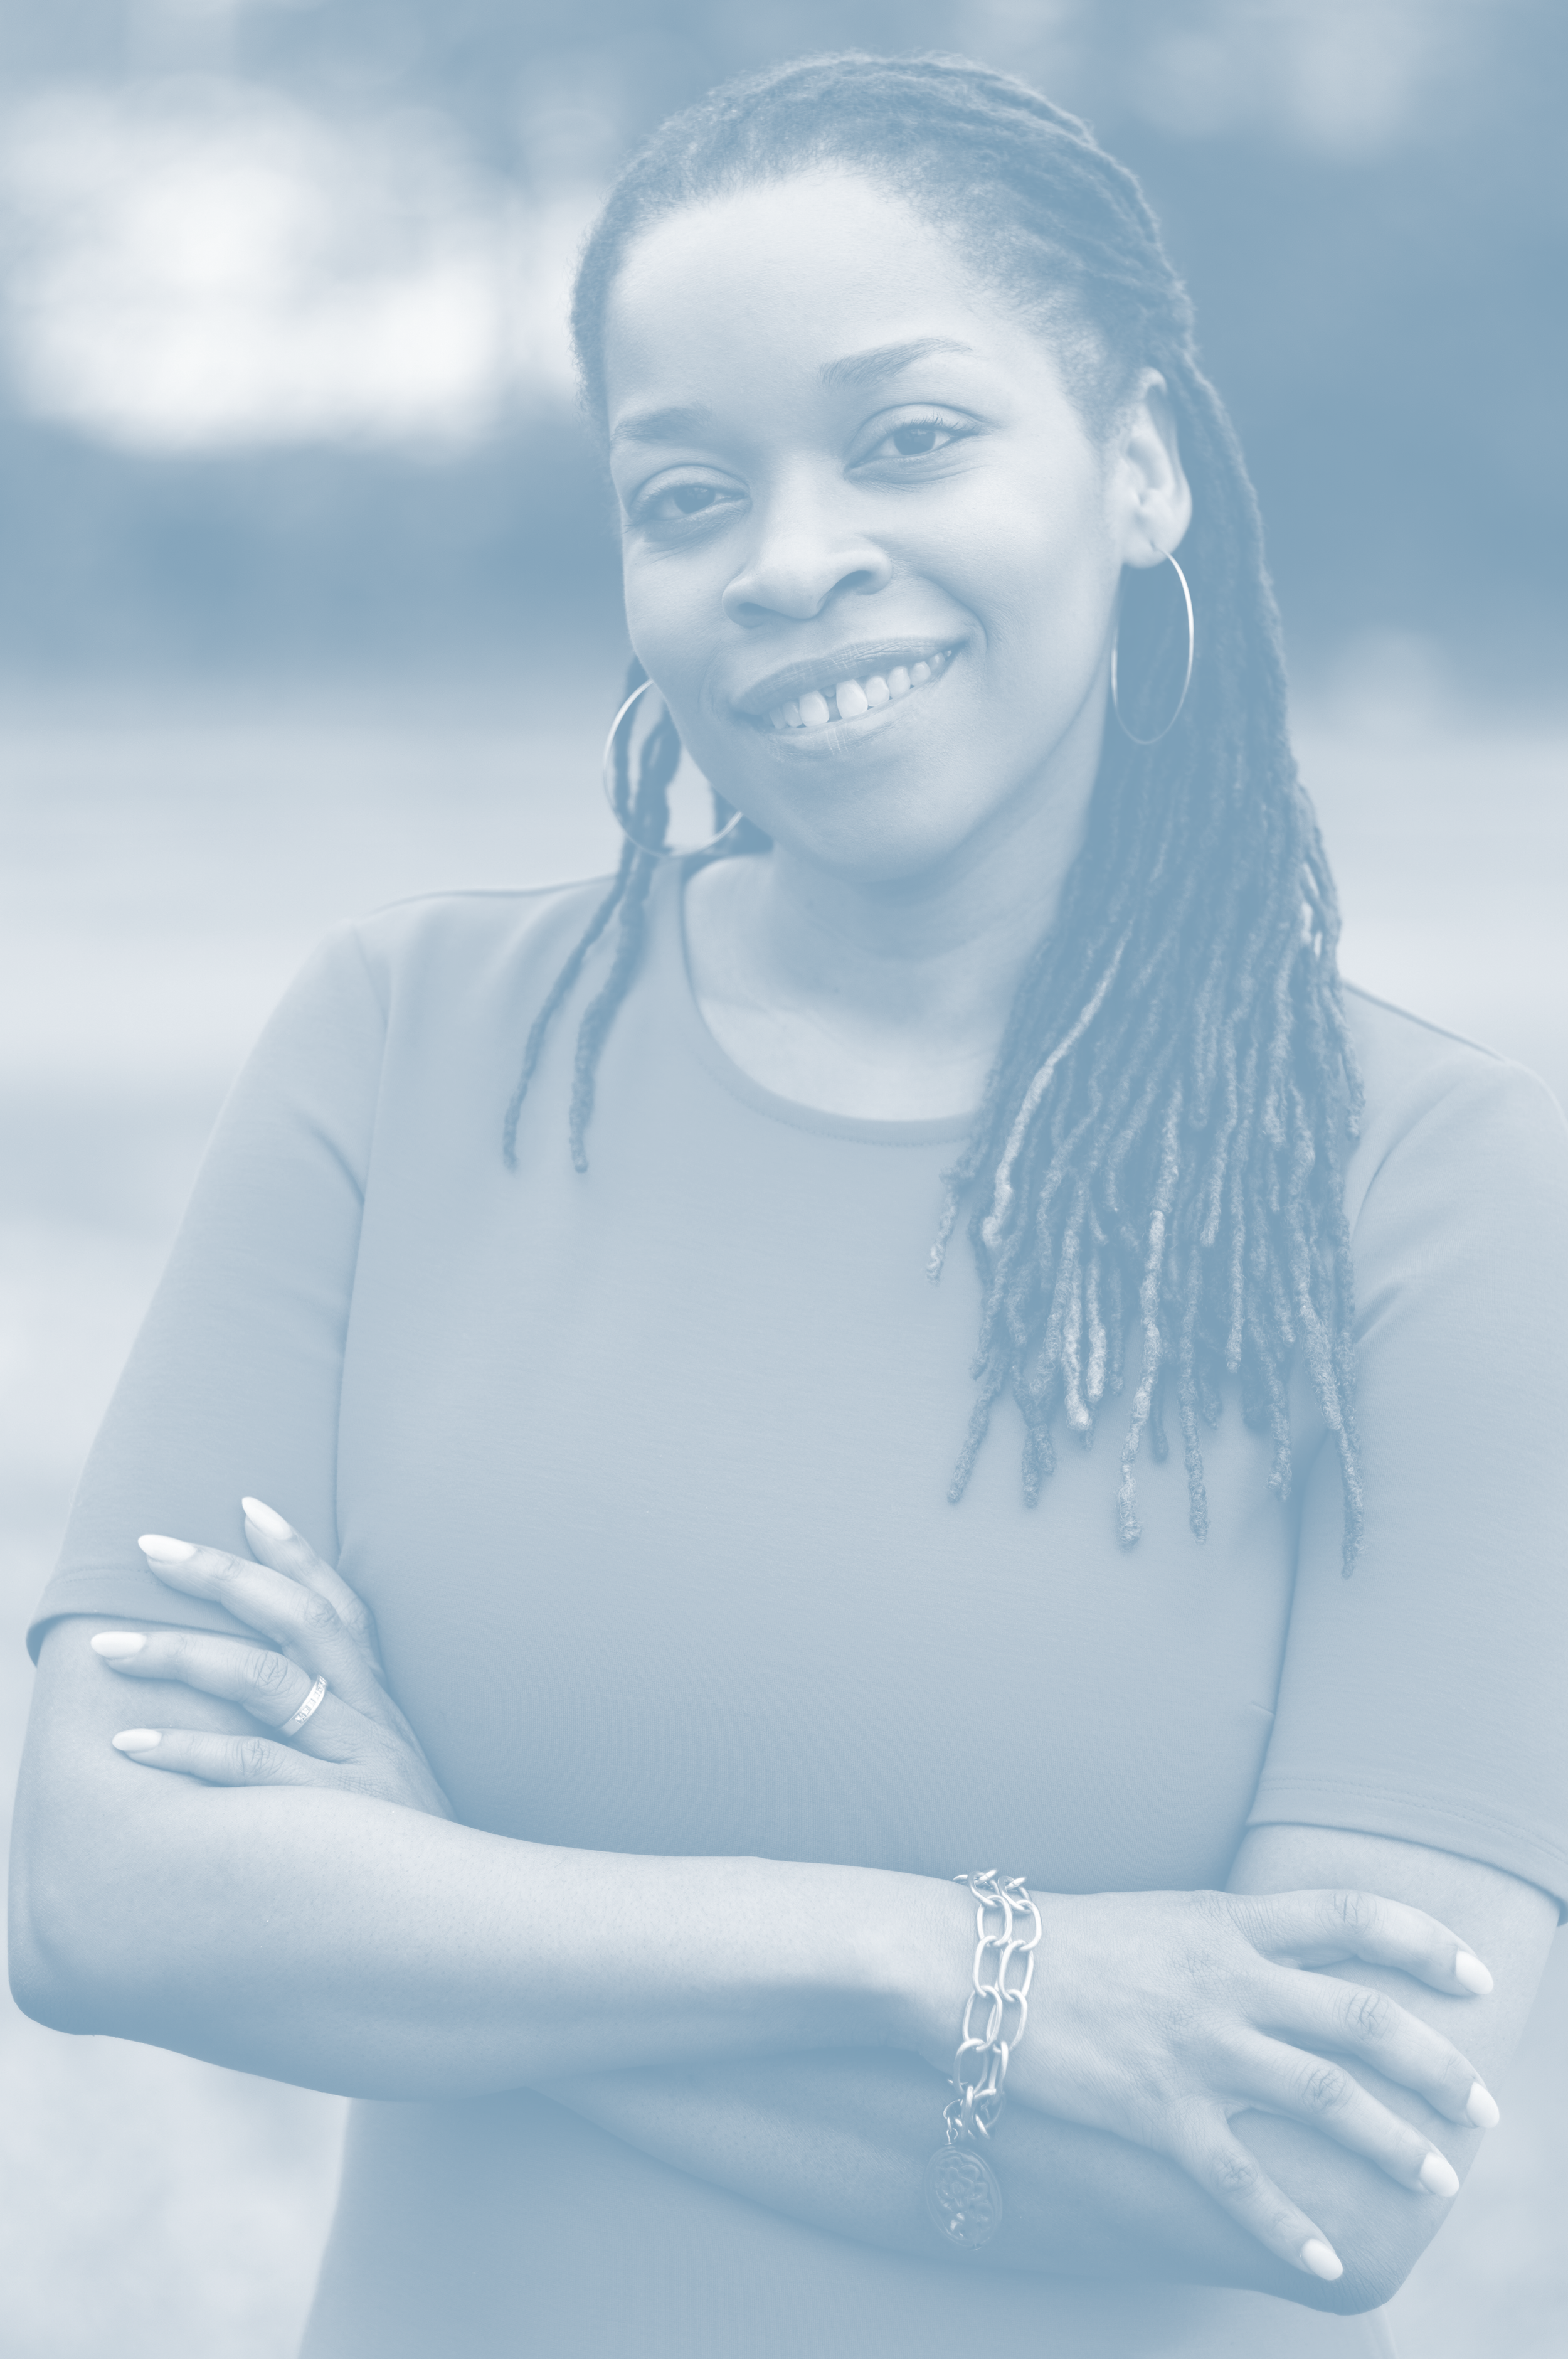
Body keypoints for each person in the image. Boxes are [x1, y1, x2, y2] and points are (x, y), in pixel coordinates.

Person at [11, 51, 1567, 2359]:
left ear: (1135, 465)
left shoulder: (1425, 1188)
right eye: (686, 490)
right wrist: (970, 1972)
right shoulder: (405, 1037)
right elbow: (103, 1891)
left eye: (911, 440)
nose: (790, 555)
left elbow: (1333, 2179)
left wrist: (429, 1902)